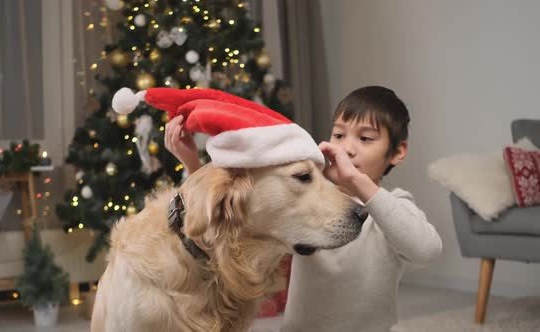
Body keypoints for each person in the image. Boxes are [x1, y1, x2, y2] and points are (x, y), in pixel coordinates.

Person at [164, 86, 442, 332]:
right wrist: (193, 164)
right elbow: (236, 211)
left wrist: (360, 184)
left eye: (365, 139)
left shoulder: (392, 207)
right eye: (339, 135)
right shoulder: (306, 201)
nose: (348, 148)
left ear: (397, 152)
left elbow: (425, 250)